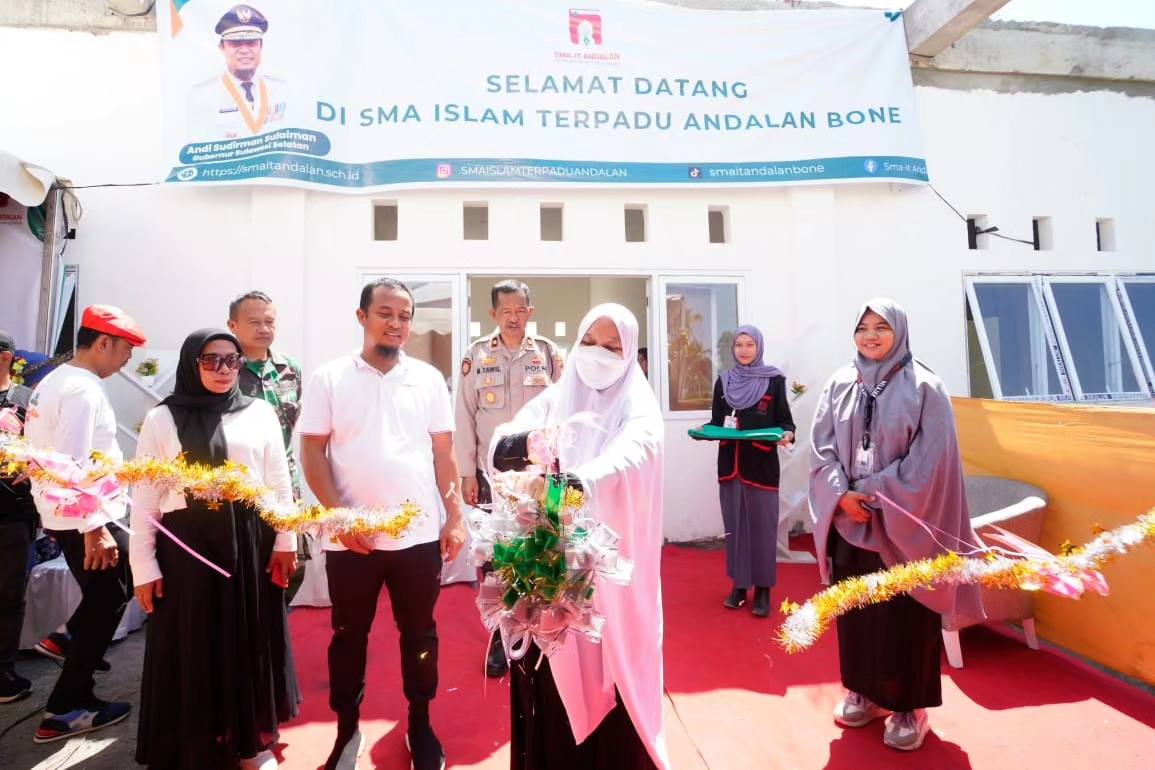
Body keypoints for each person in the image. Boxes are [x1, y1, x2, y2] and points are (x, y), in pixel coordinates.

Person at [489, 303, 668, 770]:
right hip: (547, 572)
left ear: (630, 355)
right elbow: (501, 445)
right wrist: (527, 444)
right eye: (589, 343)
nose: (598, 355)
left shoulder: (638, 407)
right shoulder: (558, 396)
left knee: (607, 677)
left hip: (607, 583)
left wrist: (576, 485)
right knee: (548, 673)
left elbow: (632, 456)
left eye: (612, 347)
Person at [298, 277, 465, 770]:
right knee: (348, 634)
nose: (396, 324)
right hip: (353, 539)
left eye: (405, 316)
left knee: (420, 634)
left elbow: (444, 451)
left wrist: (453, 516)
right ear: (362, 317)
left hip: (416, 538)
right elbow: (311, 449)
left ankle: (419, 722)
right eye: (386, 313)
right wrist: (339, 515)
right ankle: (347, 731)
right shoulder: (330, 378)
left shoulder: (428, 379)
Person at [809, 298, 984, 752]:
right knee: (857, 611)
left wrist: (874, 492)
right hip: (851, 521)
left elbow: (931, 459)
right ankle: (862, 691)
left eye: (880, 327)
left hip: (906, 522)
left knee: (905, 615)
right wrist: (841, 494)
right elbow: (821, 446)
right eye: (862, 326)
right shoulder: (838, 383)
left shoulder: (926, 387)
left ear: (899, 332)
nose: (870, 335)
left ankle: (909, 706)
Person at [130, 329, 300, 769]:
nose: (224, 370)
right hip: (187, 548)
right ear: (192, 363)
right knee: (194, 641)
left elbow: (278, 482)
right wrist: (143, 565)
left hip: (249, 540)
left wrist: (286, 540)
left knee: (248, 640)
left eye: (232, 360)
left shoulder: (259, 412)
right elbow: (146, 497)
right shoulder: (162, 419)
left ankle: (249, 743)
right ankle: (197, 740)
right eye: (211, 361)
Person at [23, 305, 146, 743]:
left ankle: (69, 642)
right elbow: (73, 462)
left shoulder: (56, 380)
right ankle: (64, 707)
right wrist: (95, 527)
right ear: (104, 342)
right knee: (109, 599)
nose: (127, 360)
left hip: (67, 514)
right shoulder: (82, 389)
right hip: (86, 517)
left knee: (112, 592)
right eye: (126, 350)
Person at [455, 279, 563, 677]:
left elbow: (563, 416)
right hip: (492, 478)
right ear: (494, 315)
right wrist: (466, 472)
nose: (514, 318)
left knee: (543, 552)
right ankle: (501, 637)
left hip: (538, 479)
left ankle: (542, 631)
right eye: (506, 311)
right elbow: (464, 417)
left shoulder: (549, 355)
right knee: (497, 560)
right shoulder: (477, 355)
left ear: (530, 313)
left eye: (521, 310)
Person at [707, 325, 794, 617]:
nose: (744, 350)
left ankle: (764, 590)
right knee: (736, 530)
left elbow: (786, 421)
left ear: (759, 347)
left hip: (761, 465)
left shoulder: (774, 380)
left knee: (762, 529)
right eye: (739, 345)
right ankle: (740, 587)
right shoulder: (724, 382)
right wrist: (708, 432)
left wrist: (788, 435)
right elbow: (717, 420)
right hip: (730, 466)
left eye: (750, 345)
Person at [228, 290, 303, 498]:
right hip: (239, 486)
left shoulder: (289, 369)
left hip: (286, 484)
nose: (264, 329)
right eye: (254, 322)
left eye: (269, 322)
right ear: (232, 326)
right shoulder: (223, 369)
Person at [0, 330, 37, 703]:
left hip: (13, 512)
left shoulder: (27, 400)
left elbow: (46, 451)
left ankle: (3, 670)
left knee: (9, 593)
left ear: (6, 357)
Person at [188, 5, 287, 141]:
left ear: (261, 46)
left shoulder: (281, 89)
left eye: (251, 43)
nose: (244, 50)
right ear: (222, 48)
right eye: (236, 43)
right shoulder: (203, 95)